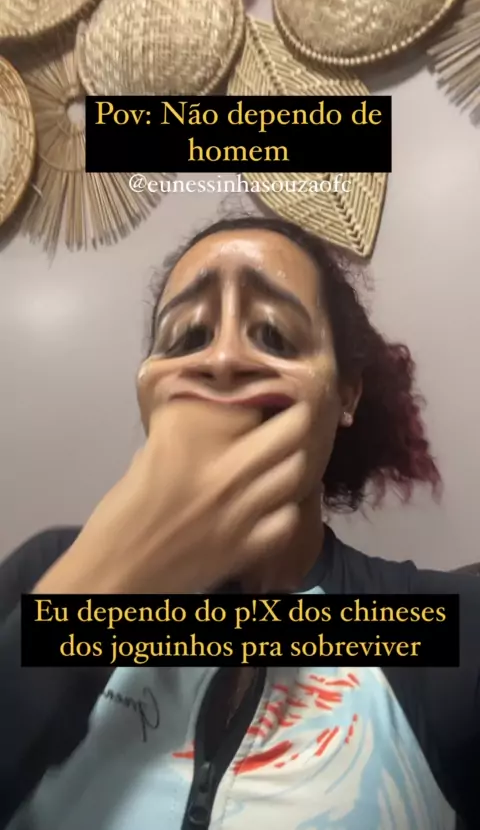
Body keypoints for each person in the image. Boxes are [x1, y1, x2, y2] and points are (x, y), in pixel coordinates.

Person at [0, 215, 478, 830]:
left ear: (347, 394)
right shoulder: (49, 571)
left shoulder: (444, 635)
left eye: (275, 335)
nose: (222, 360)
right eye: (187, 336)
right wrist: (101, 588)